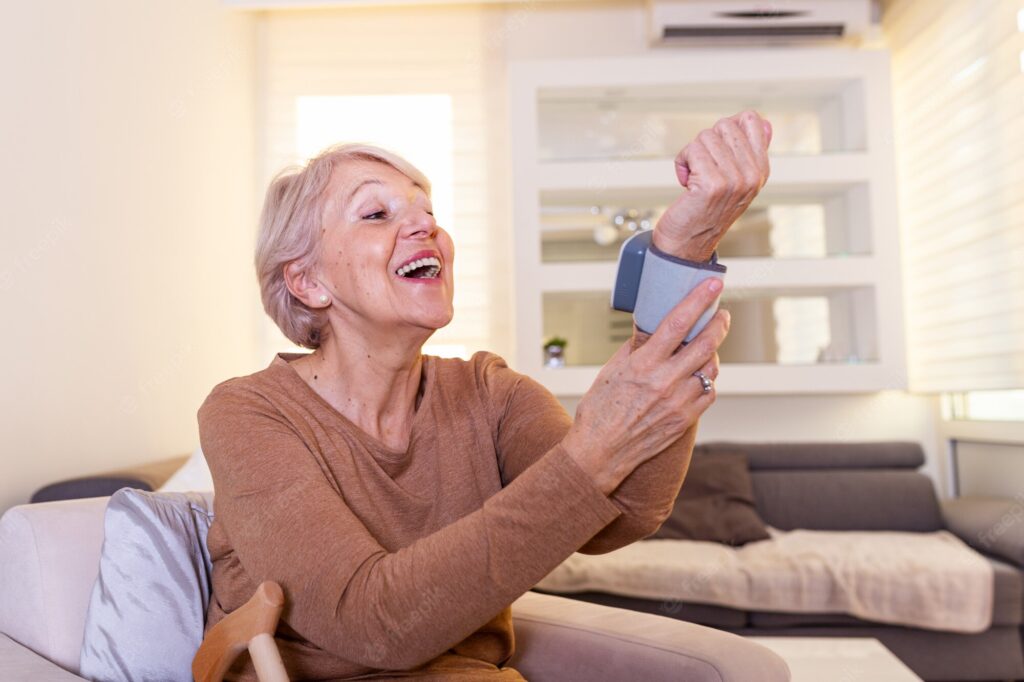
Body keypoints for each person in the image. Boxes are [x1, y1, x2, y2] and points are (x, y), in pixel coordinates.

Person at [197, 110, 772, 680]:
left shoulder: (488, 393)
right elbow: (372, 622)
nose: (428, 228)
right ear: (307, 282)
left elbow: (621, 515)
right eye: (376, 213)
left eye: (429, 212)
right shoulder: (248, 413)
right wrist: (595, 447)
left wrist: (684, 256)